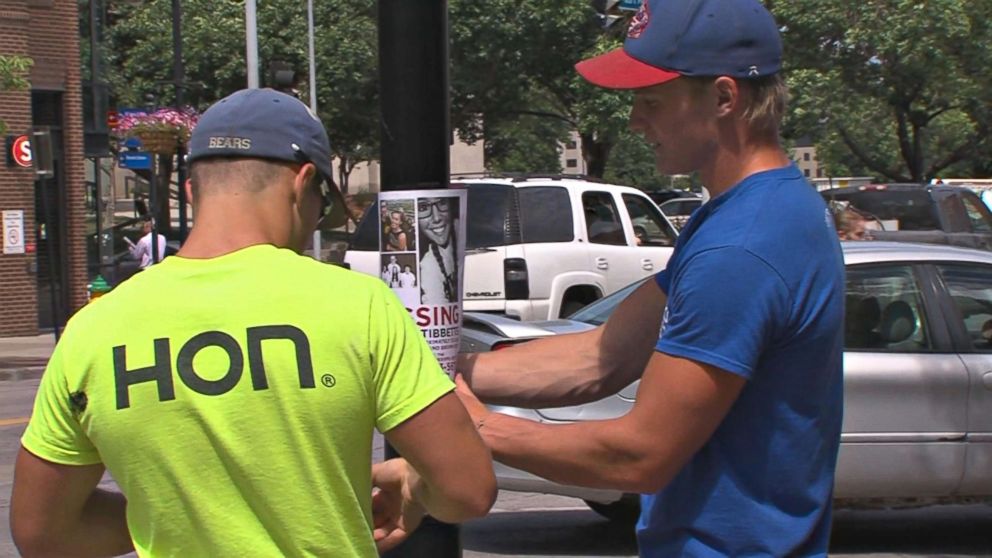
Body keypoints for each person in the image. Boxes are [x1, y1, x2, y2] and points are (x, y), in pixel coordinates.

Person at [11, 88, 495, 558]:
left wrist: (177, 515)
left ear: (191, 190)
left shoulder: (94, 330)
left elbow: (43, 535)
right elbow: (467, 490)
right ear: (303, 183)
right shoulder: (358, 305)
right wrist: (411, 485)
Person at [455, 1, 845, 556]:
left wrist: (479, 427)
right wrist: (448, 371)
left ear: (723, 98)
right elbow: (601, 357)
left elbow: (639, 454)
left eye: (652, 101)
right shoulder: (749, 214)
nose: (637, 121)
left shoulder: (742, 247)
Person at [418, 196, 458, 304]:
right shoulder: (429, 265)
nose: (436, 218)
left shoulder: (462, 231)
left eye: (442, 203)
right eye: (423, 208)